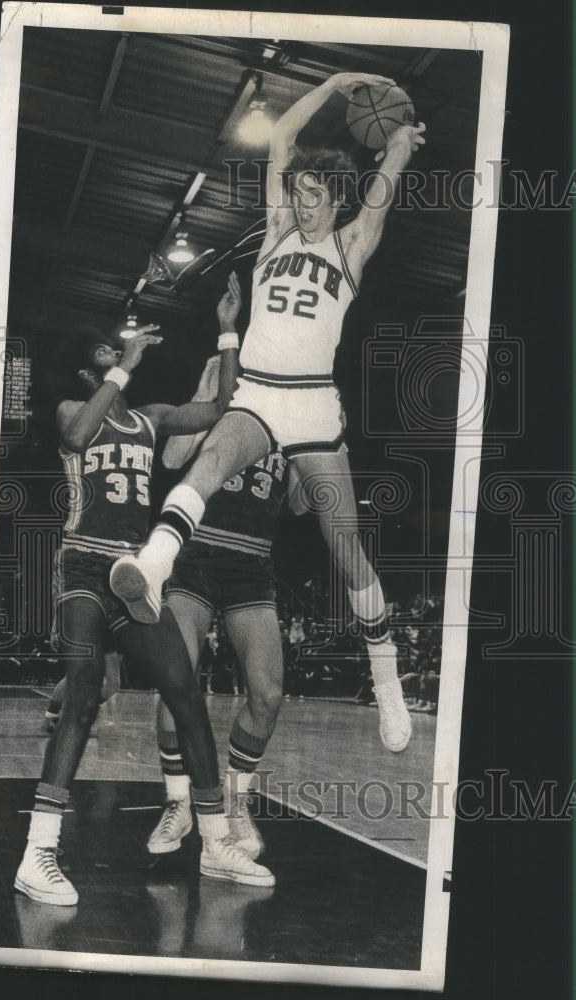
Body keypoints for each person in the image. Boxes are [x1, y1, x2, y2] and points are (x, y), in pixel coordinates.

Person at [110, 72, 426, 754]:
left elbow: (384, 185)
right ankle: (155, 564)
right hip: (255, 391)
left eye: (316, 197)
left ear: (335, 199)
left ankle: (387, 677)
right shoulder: (277, 231)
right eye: (299, 194)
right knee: (214, 456)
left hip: (312, 401)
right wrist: (336, 82)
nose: (304, 204)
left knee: (345, 548)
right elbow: (283, 135)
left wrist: (397, 144)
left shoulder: (350, 244)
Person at [14, 275, 274, 907]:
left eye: (118, 347)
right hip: (82, 569)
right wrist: (124, 368)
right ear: (86, 371)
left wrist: (228, 330)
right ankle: (37, 853)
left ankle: (215, 841)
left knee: (184, 692)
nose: (118, 349)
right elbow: (77, 440)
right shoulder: (75, 411)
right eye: (104, 350)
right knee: (83, 697)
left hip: (136, 574)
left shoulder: (151, 419)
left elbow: (221, 410)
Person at [145, 407, 290, 859]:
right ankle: (177, 802)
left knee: (268, 694)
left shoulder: (297, 418)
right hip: (196, 555)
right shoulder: (225, 403)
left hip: (252, 564)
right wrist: (207, 394)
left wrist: (328, 443)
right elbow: (172, 459)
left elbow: (304, 503)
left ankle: (235, 801)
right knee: (176, 683)